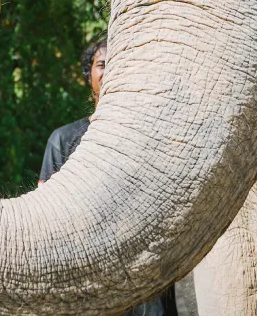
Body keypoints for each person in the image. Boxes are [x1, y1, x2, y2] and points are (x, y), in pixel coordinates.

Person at [39, 38, 177, 316]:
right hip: (84, 273)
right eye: (102, 64)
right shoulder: (62, 139)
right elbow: (45, 212)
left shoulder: (152, 134)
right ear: (88, 74)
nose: (110, 70)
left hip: (146, 270)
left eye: (118, 64)